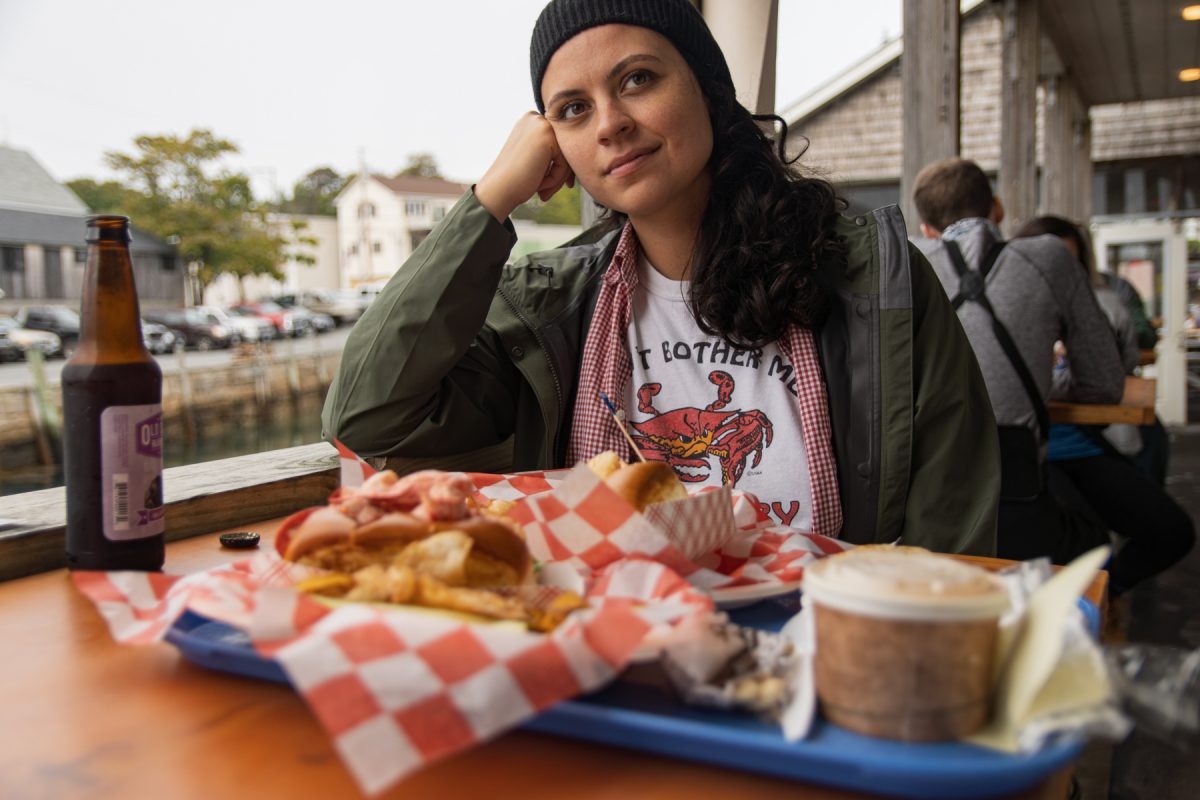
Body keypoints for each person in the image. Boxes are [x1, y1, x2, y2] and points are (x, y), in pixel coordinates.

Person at [322, 0, 1000, 555]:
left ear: (708, 91)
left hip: (825, 666)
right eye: (573, 109)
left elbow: (956, 529)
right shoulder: (549, 311)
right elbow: (367, 418)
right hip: (616, 662)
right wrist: (490, 199)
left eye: (638, 79)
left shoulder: (877, 281)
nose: (612, 123)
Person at [912, 158, 1125, 567]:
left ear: (927, 229)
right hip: (1018, 505)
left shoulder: (905, 261)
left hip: (922, 518)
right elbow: (1105, 384)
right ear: (998, 208)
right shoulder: (1048, 257)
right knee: (1099, 545)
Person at [1012, 216, 1193, 594]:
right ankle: (1084, 599)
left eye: (1069, 264)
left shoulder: (1103, 306)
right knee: (1088, 543)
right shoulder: (1010, 308)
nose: (1059, 274)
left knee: (1171, 529)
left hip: (1083, 443)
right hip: (1034, 455)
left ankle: (1103, 594)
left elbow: (1111, 375)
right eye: (1049, 263)